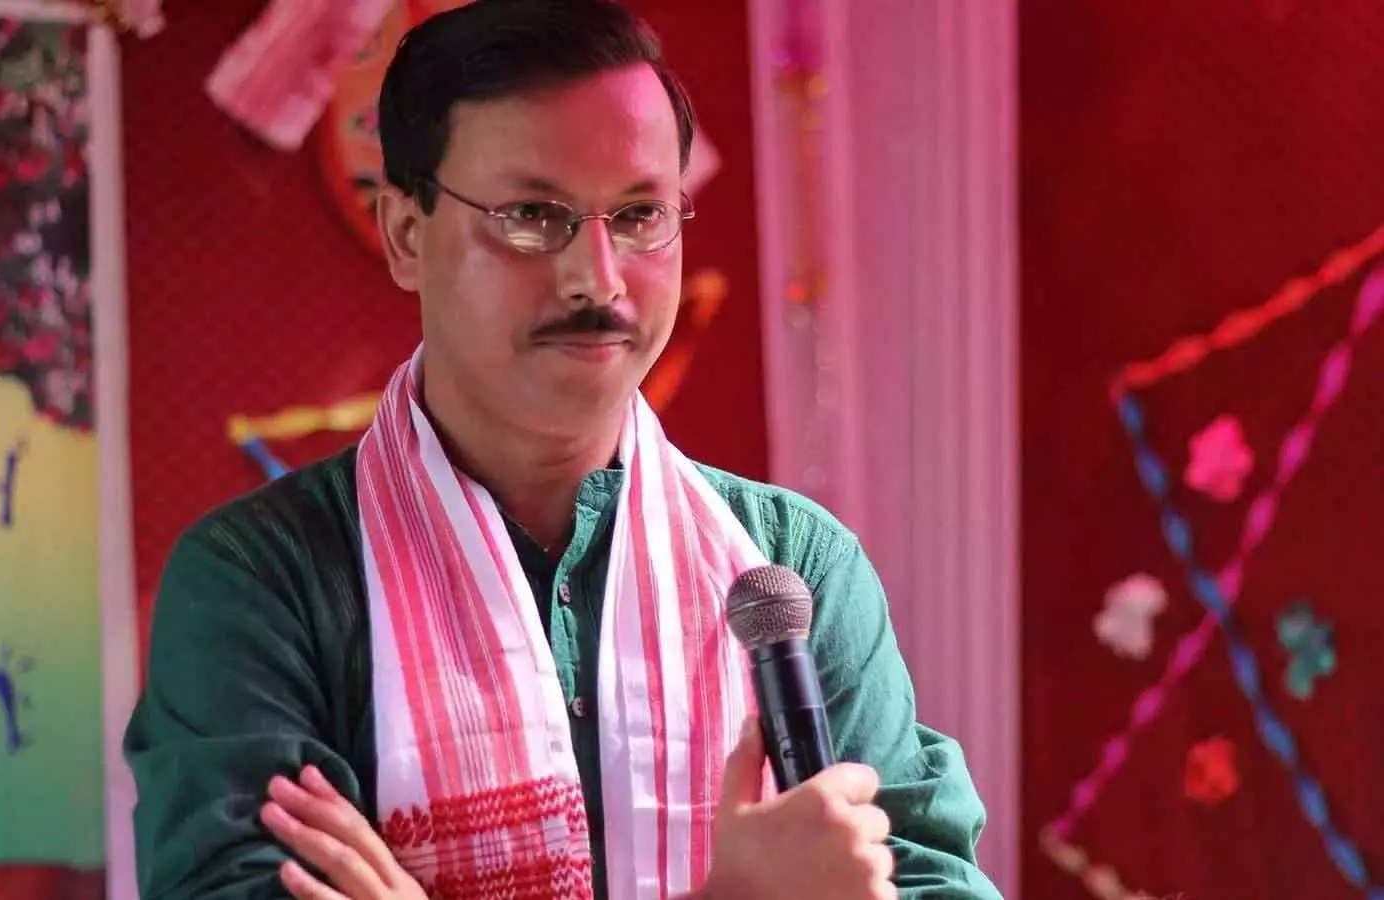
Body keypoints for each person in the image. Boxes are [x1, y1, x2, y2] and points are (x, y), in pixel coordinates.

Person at [122, 1, 1004, 898]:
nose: (596, 277)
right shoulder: (262, 581)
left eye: (640, 214)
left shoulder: (790, 570)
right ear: (406, 234)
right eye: (533, 215)